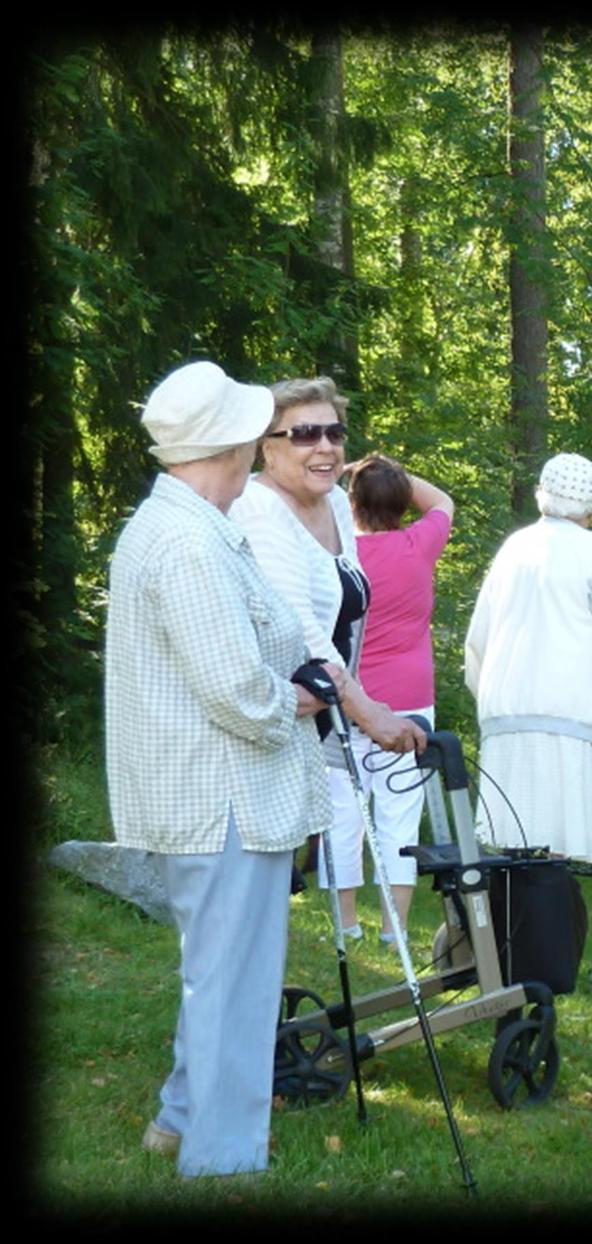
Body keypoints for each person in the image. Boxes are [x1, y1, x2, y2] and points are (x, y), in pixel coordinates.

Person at [105, 361, 421, 1180]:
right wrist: (308, 699)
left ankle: (180, 1122)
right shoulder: (184, 541)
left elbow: (270, 633)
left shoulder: (195, 525)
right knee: (234, 983)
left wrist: (307, 679)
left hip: (218, 790)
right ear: (232, 441)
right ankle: (221, 1159)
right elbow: (238, 689)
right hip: (221, 794)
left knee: (220, 970)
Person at [229, 378, 424, 940]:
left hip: (317, 709)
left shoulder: (337, 502)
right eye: (304, 434)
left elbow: (348, 619)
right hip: (268, 715)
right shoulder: (261, 510)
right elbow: (301, 625)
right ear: (267, 446)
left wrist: (354, 696)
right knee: (249, 895)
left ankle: (258, 1011)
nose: (324, 447)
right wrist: (368, 712)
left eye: (334, 433)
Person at [465, 452, 592, 864]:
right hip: (570, 721)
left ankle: (503, 930)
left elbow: (478, 642)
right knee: (554, 857)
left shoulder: (514, 549)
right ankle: (549, 928)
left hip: (505, 719)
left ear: (543, 493)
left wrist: (491, 698)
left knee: (507, 855)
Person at [343, 454, 454, 943]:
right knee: (399, 814)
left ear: (353, 503)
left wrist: (355, 475)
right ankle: (396, 929)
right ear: (401, 503)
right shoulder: (418, 544)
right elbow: (443, 502)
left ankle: (347, 927)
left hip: (349, 699)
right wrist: (390, 473)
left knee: (343, 811)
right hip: (411, 698)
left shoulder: (339, 553)